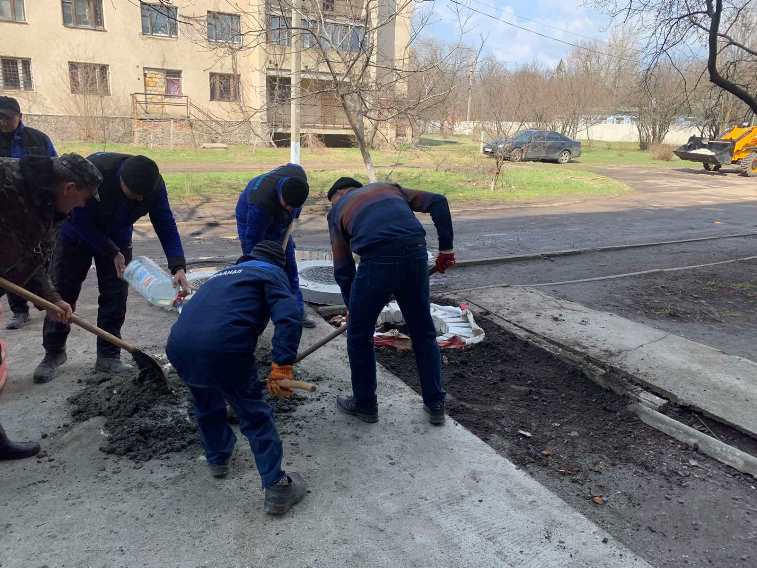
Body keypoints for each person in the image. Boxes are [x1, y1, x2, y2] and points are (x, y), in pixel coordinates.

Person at [166, 241, 306, 515]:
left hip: (179, 346)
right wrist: (282, 365)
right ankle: (277, 487)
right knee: (254, 415)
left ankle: (217, 457)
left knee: (206, 403)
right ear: (280, 265)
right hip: (224, 348)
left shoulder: (222, 275)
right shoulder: (271, 273)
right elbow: (289, 317)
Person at [33, 153, 191, 383]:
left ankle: (108, 355)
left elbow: (165, 222)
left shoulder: (154, 186)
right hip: (76, 236)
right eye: (133, 195)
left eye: (142, 198)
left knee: (115, 295)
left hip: (118, 237)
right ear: (120, 181)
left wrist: (178, 266)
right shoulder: (95, 173)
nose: (138, 201)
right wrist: (110, 250)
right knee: (63, 292)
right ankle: (54, 352)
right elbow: (78, 220)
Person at [326, 177, 456, 425]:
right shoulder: (389, 188)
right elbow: (438, 202)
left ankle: (365, 405)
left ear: (341, 193)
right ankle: (435, 404)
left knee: (358, 335)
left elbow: (343, 267)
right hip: (416, 254)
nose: (335, 206)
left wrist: (352, 306)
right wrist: (446, 249)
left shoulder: (338, 211)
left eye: (334, 201)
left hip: (377, 261)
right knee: (423, 331)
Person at [0, 153, 101, 459]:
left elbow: (34, 257)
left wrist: (53, 298)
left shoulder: (49, 208)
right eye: (82, 198)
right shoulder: (7, 183)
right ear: (69, 187)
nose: (82, 206)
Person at [0, 96, 58, 330]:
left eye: (7, 117)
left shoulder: (38, 139)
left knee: (37, 258)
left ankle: (45, 299)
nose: (2, 122)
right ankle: (19, 310)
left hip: (35, 208)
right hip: (5, 210)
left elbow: (55, 166)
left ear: (19, 117)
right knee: (11, 263)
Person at [235, 163, 315, 328]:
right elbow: (252, 243)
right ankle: (250, 312)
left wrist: (290, 212)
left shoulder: (298, 180)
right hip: (249, 214)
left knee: (290, 267)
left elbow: (292, 210)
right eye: (288, 205)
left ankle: (295, 311)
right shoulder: (260, 203)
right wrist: (254, 264)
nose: (291, 209)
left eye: (294, 207)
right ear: (280, 195)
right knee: (258, 267)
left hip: (279, 216)